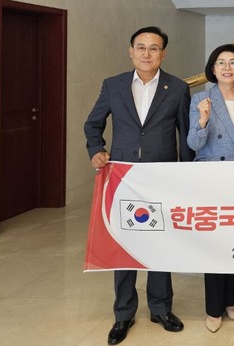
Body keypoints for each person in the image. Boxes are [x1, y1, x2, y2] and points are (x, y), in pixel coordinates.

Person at [84, 26, 192, 345]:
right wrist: (96, 149)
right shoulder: (113, 85)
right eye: (141, 47)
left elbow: (185, 134)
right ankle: (123, 314)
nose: (147, 53)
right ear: (131, 51)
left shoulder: (178, 88)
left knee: (161, 243)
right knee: (125, 245)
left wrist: (187, 174)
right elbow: (92, 124)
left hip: (162, 177)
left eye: (153, 48)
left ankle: (161, 308)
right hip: (124, 178)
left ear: (163, 54)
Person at [187, 44, 234, 332]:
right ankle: (213, 309)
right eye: (221, 62)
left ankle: (233, 301)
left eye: (233, 62)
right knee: (215, 244)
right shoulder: (200, 98)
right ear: (213, 68)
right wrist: (203, 120)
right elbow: (193, 144)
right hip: (213, 180)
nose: (227, 67)